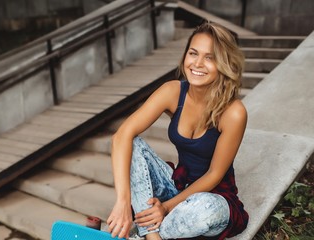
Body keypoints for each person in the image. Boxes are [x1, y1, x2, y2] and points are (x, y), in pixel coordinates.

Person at [106, 21, 249, 240]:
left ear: (224, 63)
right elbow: (121, 136)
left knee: (204, 211)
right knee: (131, 143)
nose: (198, 63)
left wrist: (166, 207)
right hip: (176, 185)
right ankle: (151, 236)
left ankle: (142, 233)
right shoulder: (172, 91)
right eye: (193, 53)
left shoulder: (234, 112)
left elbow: (214, 175)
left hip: (212, 198)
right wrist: (123, 203)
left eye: (209, 57)